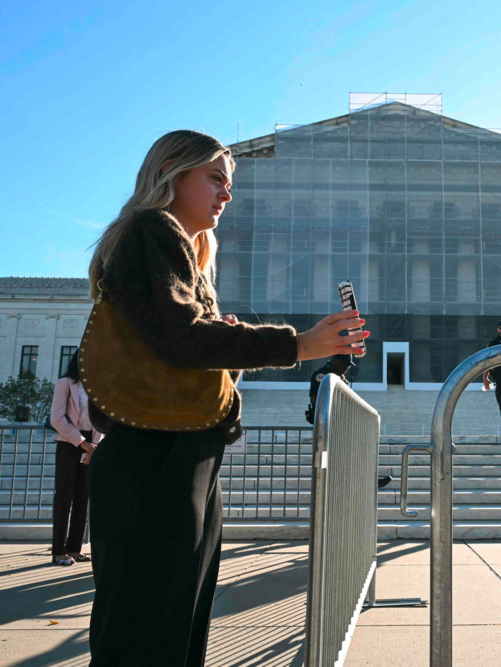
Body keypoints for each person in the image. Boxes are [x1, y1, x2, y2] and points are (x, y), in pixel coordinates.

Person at [85, 130, 368, 666]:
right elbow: (182, 339)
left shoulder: (184, 253)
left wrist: (228, 348)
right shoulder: (152, 229)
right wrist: (299, 344)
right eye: (215, 178)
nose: (227, 194)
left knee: (170, 627)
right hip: (155, 455)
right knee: (150, 633)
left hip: (178, 452)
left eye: (229, 183)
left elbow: (179, 352)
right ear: (170, 170)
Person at [305, 354, 392, 489]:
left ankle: (369, 479)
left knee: (359, 449)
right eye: (345, 364)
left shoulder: (341, 379)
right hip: (329, 425)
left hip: (342, 422)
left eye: (348, 365)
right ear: (335, 361)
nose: (347, 367)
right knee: (339, 458)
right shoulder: (323, 375)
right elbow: (316, 400)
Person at [48, 354, 102, 566]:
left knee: (83, 496)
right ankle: (58, 551)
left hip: (91, 443)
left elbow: (100, 420)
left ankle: (74, 548)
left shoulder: (98, 385)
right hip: (69, 442)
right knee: (63, 496)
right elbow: (57, 418)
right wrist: (82, 443)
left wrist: (92, 447)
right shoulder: (65, 383)